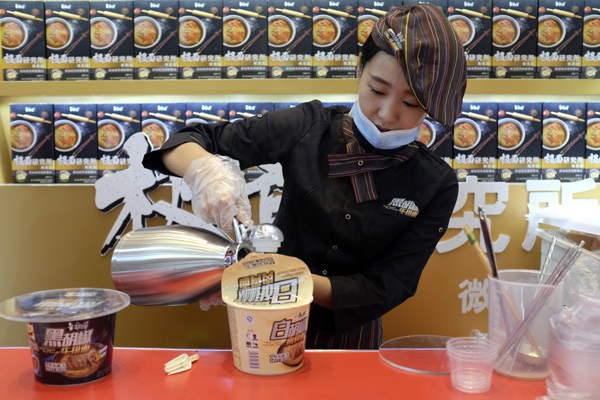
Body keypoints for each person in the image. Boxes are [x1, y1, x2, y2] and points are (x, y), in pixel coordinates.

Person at [142, 4, 467, 349]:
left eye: (412, 103)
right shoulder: (308, 127)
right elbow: (190, 140)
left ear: (430, 105)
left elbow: (390, 284)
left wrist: (288, 281)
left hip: (352, 337)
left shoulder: (434, 183)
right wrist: (203, 170)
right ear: (360, 69)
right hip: (268, 316)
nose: (387, 114)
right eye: (377, 90)